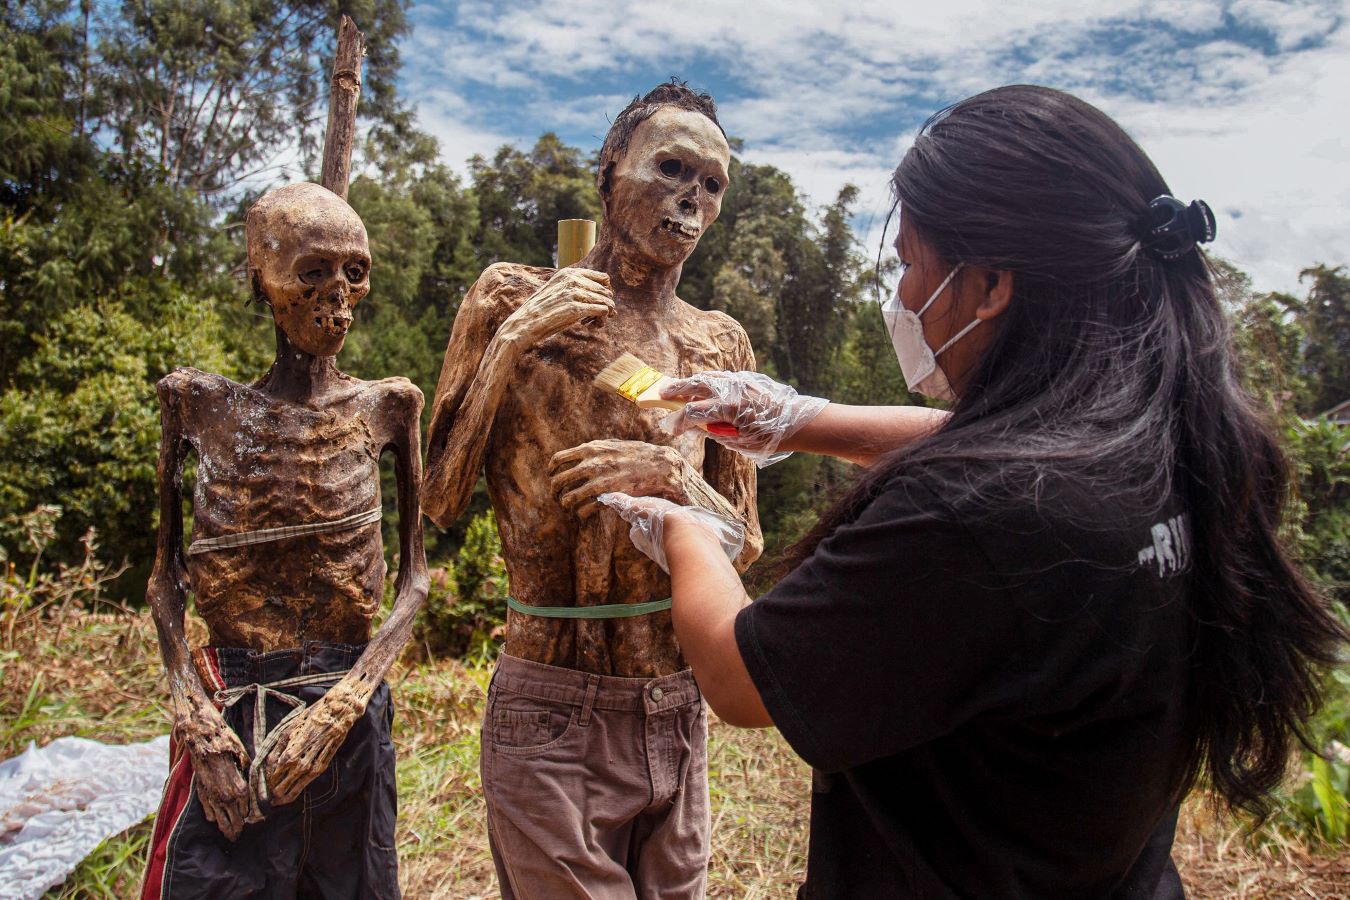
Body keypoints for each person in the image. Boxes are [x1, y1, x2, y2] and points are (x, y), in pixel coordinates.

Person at [598, 84, 1349, 898]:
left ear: (990, 282)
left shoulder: (972, 520)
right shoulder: (1187, 444)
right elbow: (1031, 456)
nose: (905, 298)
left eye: (911, 264)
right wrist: (803, 418)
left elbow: (741, 679)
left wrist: (690, 536)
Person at [421, 81, 763, 897]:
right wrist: (512, 341)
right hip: (550, 698)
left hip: (674, 706)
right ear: (610, 172)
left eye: (712, 184)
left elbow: (744, 542)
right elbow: (436, 498)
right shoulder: (508, 294)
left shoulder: (718, 341)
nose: (691, 199)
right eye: (672, 168)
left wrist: (682, 479)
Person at [141, 183, 427, 899]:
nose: (336, 296)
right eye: (311, 272)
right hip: (231, 710)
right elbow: (163, 579)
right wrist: (194, 717)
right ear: (260, 279)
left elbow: (415, 580)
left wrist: (344, 703)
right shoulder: (199, 406)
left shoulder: (389, 407)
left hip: (347, 708)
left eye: (353, 273)